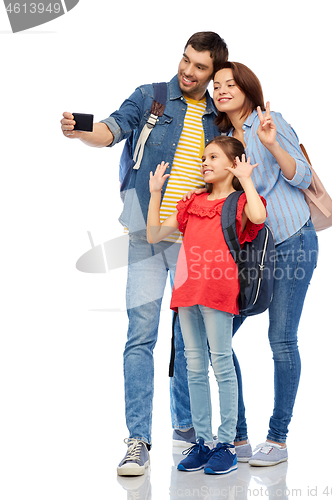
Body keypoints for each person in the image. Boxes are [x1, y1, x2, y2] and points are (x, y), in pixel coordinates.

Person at [60, 32, 229, 476]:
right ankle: (138, 440)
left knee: (191, 338)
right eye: (185, 60)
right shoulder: (151, 98)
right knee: (141, 335)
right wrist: (81, 132)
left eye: (199, 68)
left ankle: (188, 428)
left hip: (194, 238)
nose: (188, 71)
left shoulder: (219, 119)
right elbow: (111, 130)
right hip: (145, 236)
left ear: (213, 75)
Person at [211, 61, 319, 466]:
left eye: (230, 83)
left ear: (247, 87)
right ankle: (238, 436)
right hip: (252, 255)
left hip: (292, 243)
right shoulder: (222, 139)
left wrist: (272, 143)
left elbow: (303, 175)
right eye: (216, 85)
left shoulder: (268, 123)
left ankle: (277, 438)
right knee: (216, 337)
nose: (222, 90)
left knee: (281, 339)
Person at [147, 136, 267, 474]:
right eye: (204, 157)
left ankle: (226, 444)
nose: (205, 162)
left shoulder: (239, 202)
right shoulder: (192, 202)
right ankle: (204, 441)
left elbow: (257, 217)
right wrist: (157, 192)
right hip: (187, 293)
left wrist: (246, 178)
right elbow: (155, 234)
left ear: (232, 164)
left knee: (222, 365)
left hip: (218, 293)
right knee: (194, 367)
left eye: (213, 157)